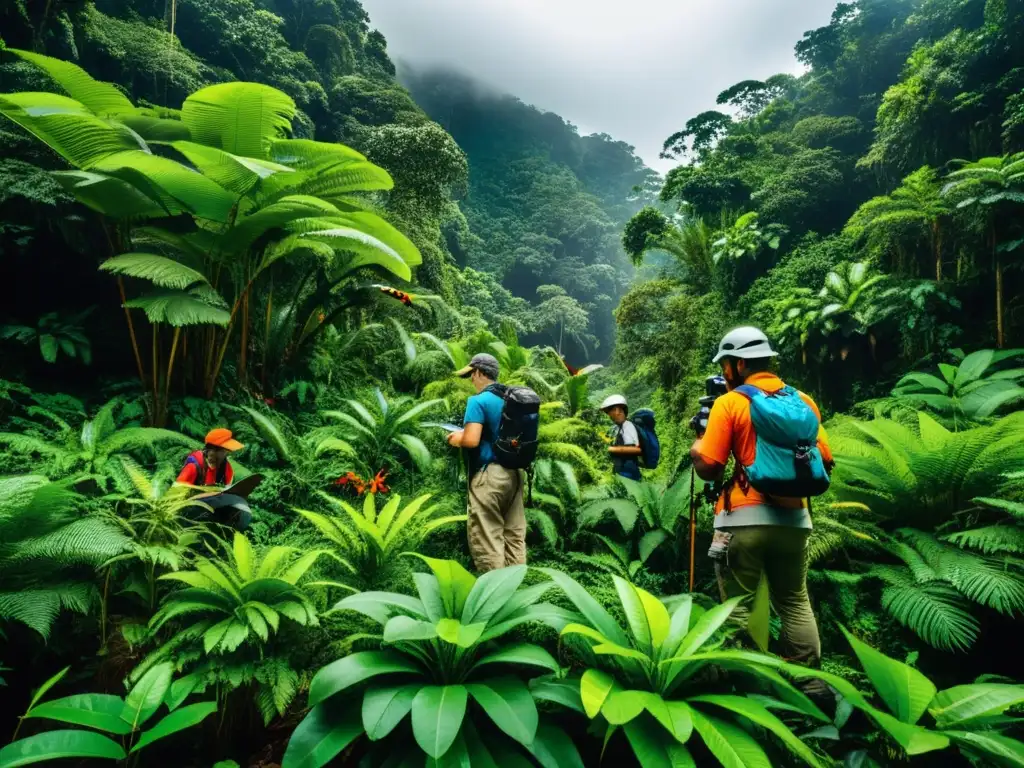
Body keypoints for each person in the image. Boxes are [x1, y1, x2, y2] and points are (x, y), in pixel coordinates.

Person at [689, 326, 834, 698]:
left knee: (737, 606)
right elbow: (827, 461)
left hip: (743, 518)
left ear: (739, 364)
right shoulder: (803, 400)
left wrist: (696, 445)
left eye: (725, 365)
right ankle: (811, 682)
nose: (724, 373)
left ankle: (743, 685)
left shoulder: (731, 402)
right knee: (795, 600)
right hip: (795, 521)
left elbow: (710, 465)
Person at [447, 353, 526, 572]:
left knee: (487, 538)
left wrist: (456, 438)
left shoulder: (478, 401)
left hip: (489, 476)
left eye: (472, 374)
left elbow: (471, 440)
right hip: (515, 475)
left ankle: (494, 599)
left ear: (480, 372)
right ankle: (515, 591)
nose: (471, 380)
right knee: (514, 537)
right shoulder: (511, 400)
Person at [177, 428, 243, 487]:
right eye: (224, 451)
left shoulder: (226, 467)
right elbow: (175, 494)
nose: (227, 453)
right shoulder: (193, 467)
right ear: (212, 450)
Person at [600, 395, 642, 481]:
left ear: (618, 411)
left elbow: (636, 450)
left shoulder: (628, 427)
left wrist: (612, 449)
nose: (609, 416)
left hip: (628, 473)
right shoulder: (618, 428)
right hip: (620, 471)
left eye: (610, 412)